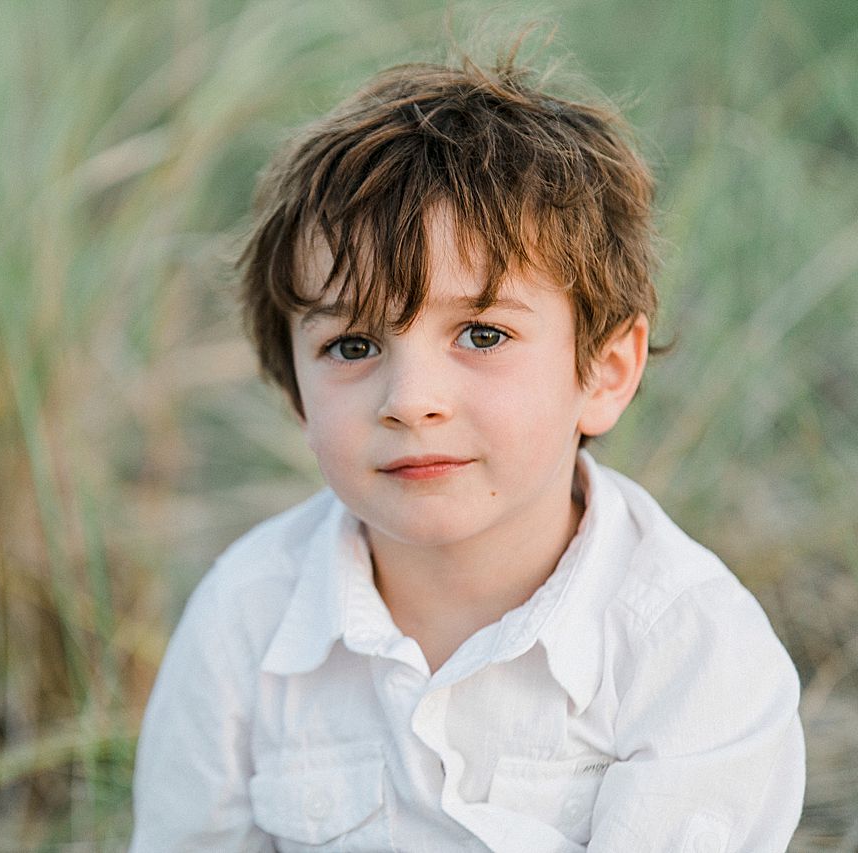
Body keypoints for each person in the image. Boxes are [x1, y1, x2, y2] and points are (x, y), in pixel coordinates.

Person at [130, 47, 805, 852]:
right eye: (351, 347)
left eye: (482, 333)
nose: (411, 400)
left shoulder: (693, 653)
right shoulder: (245, 619)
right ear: (294, 394)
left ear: (605, 370)